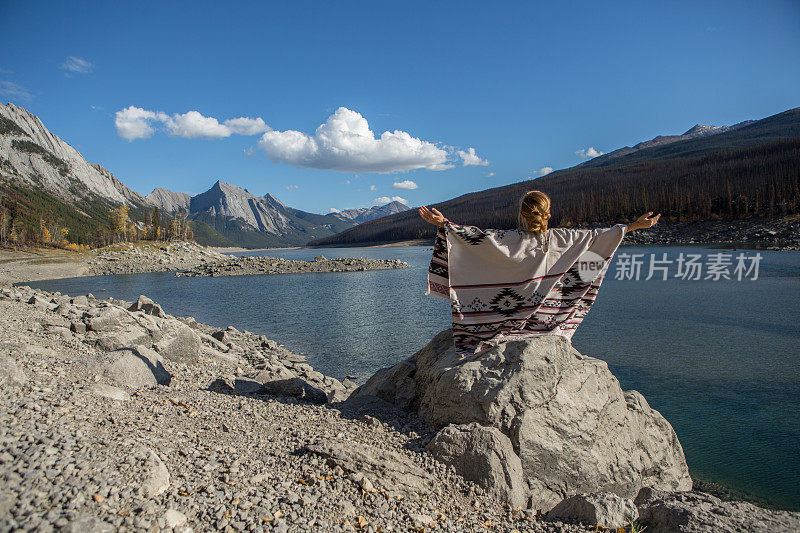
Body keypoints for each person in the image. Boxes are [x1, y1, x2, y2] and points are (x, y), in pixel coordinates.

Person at [419, 190, 660, 355]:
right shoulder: (564, 239)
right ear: (547, 213)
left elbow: (474, 238)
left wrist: (444, 225)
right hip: (546, 322)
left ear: (522, 215)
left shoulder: (506, 240)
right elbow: (601, 238)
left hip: (496, 325)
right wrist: (636, 225)